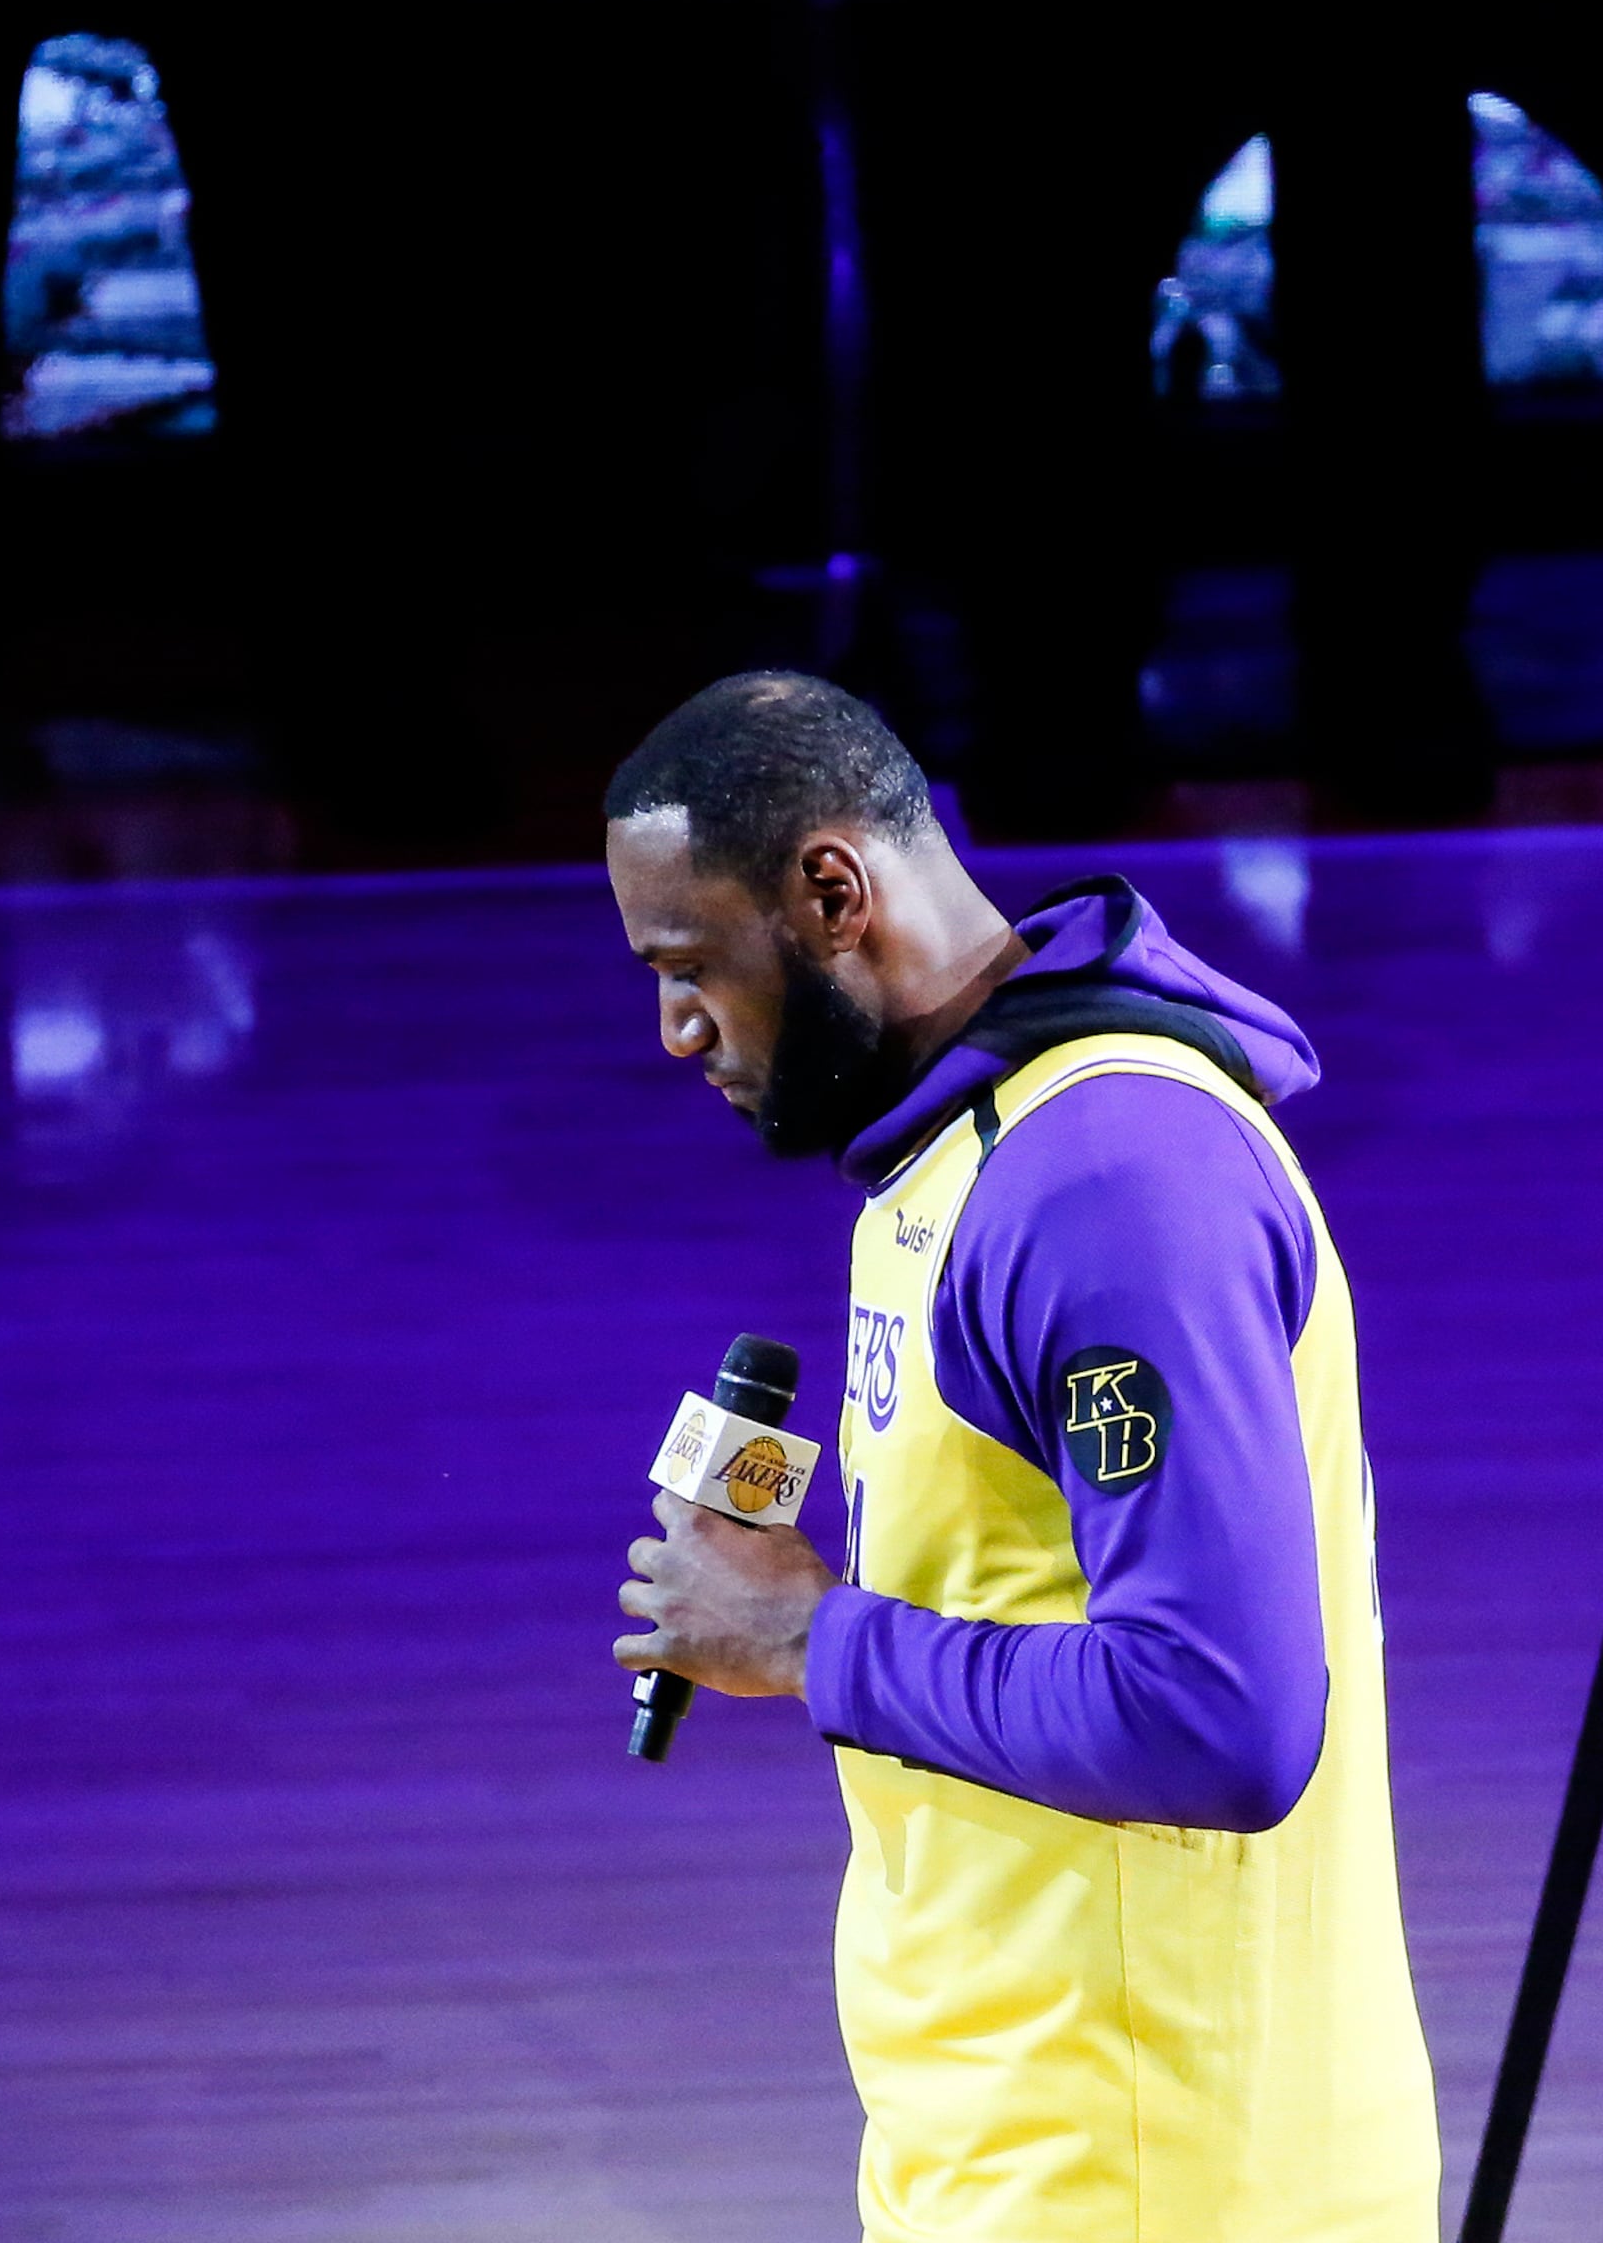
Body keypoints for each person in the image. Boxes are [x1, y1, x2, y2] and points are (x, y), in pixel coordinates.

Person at [602, 669, 1435, 2241]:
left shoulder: (1110, 1179)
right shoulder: (949, 1150)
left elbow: (1222, 1720)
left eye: (687, 962)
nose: (673, 1028)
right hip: (1014, 2143)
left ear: (831, 891)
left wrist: (807, 1636)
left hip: (1154, 2173)